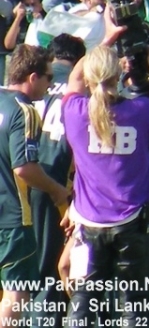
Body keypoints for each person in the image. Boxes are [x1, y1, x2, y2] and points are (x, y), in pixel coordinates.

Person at [61, 14, 149, 326]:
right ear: (118, 76)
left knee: (83, 299)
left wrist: (106, 39)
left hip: (88, 222)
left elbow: (74, 80)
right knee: (134, 303)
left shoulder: (74, 111)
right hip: (131, 221)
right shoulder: (139, 110)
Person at [0, 44, 69, 324]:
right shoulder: (25, 110)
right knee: (17, 295)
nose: (50, 85)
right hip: (14, 219)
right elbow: (24, 167)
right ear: (32, 77)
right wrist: (57, 190)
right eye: (49, 78)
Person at [30, 34, 85, 328]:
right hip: (59, 189)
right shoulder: (81, 90)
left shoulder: (34, 81)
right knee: (52, 269)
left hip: (21, 181)